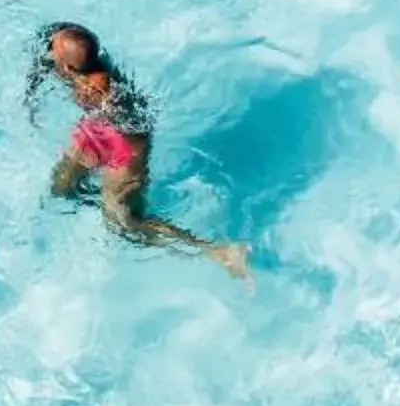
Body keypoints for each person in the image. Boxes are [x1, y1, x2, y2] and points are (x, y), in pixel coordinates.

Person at [28, 23, 250, 279]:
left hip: (127, 144)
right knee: (61, 187)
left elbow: (138, 122)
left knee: (124, 223)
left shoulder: (99, 88)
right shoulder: (71, 45)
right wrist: (30, 98)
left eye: (52, 50)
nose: (48, 51)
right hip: (96, 129)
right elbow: (42, 58)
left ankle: (220, 253)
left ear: (66, 66)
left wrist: (130, 163)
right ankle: (103, 200)